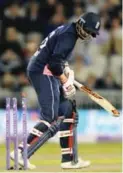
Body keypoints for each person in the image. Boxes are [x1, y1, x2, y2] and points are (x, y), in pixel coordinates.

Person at [10, 12, 101, 169]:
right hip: (42, 71)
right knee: (51, 117)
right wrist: (65, 81)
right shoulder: (69, 35)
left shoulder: (67, 31)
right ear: (80, 23)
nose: (87, 34)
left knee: (68, 112)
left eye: (91, 33)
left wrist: (66, 69)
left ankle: (69, 159)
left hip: (45, 70)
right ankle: (20, 152)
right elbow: (53, 63)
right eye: (87, 30)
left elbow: (56, 56)